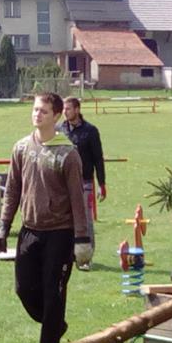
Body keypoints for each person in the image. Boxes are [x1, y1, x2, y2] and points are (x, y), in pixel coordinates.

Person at [0, 93, 92, 343]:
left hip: (60, 233)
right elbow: (12, 189)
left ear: (56, 116)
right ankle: (56, 325)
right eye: (35, 110)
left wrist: (82, 240)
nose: (37, 114)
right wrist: (4, 225)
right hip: (29, 231)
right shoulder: (21, 148)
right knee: (23, 289)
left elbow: (77, 200)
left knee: (53, 293)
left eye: (44, 111)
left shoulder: (68, 154)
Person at [57, 96, 106, 270]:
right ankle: (69, 255)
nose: (65, 112)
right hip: (63, 183)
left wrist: (101, 184)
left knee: (85, 220)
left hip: (84, 182)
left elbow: (98, 158)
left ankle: (86, 257)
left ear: (77, 110)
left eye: (68, 109)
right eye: (63, 109)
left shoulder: (90, 131)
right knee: (65, 220)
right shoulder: (59, 130)